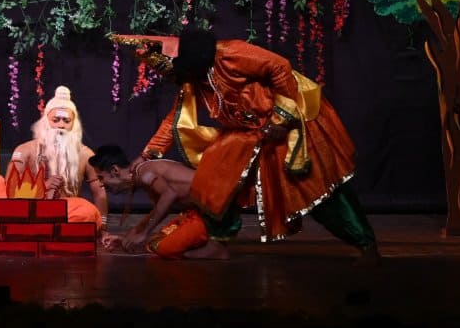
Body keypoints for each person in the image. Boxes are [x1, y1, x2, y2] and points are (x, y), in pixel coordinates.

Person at [112, 27, 381, 265]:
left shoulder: (231, 54)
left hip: (287, 124)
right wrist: (146, 154)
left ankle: (365, 243)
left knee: (313, 189)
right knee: (216, 176)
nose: (170, 76)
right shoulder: (194, 79)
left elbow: (280, 66)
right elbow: (174, 119)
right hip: (249, 131)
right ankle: (217, 244)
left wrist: (281, 117)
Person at [0, 85, 109, 232]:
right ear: (46, 122)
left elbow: (99, 192)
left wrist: (103, 228)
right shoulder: (25, 150)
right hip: (26, 210)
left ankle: (30, 231)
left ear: (74, 124)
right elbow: (11, 192)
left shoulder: (85, 154)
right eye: (55, 120)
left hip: (62, 212)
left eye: (66, 121)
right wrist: (42, 187)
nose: (61, 125)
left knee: (86, 210)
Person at [89, 144, 228, 259]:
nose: (100, 184)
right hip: (201, 211)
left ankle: (215, 248)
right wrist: (125, 237)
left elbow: (169, 195)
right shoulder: (140, 173)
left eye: (101, 177)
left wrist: (144, 233)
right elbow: (160, 207)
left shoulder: (144, 173)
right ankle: (206, 242)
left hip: (215, 208)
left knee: (164, 248)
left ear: (115, 170)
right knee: (156, 242)